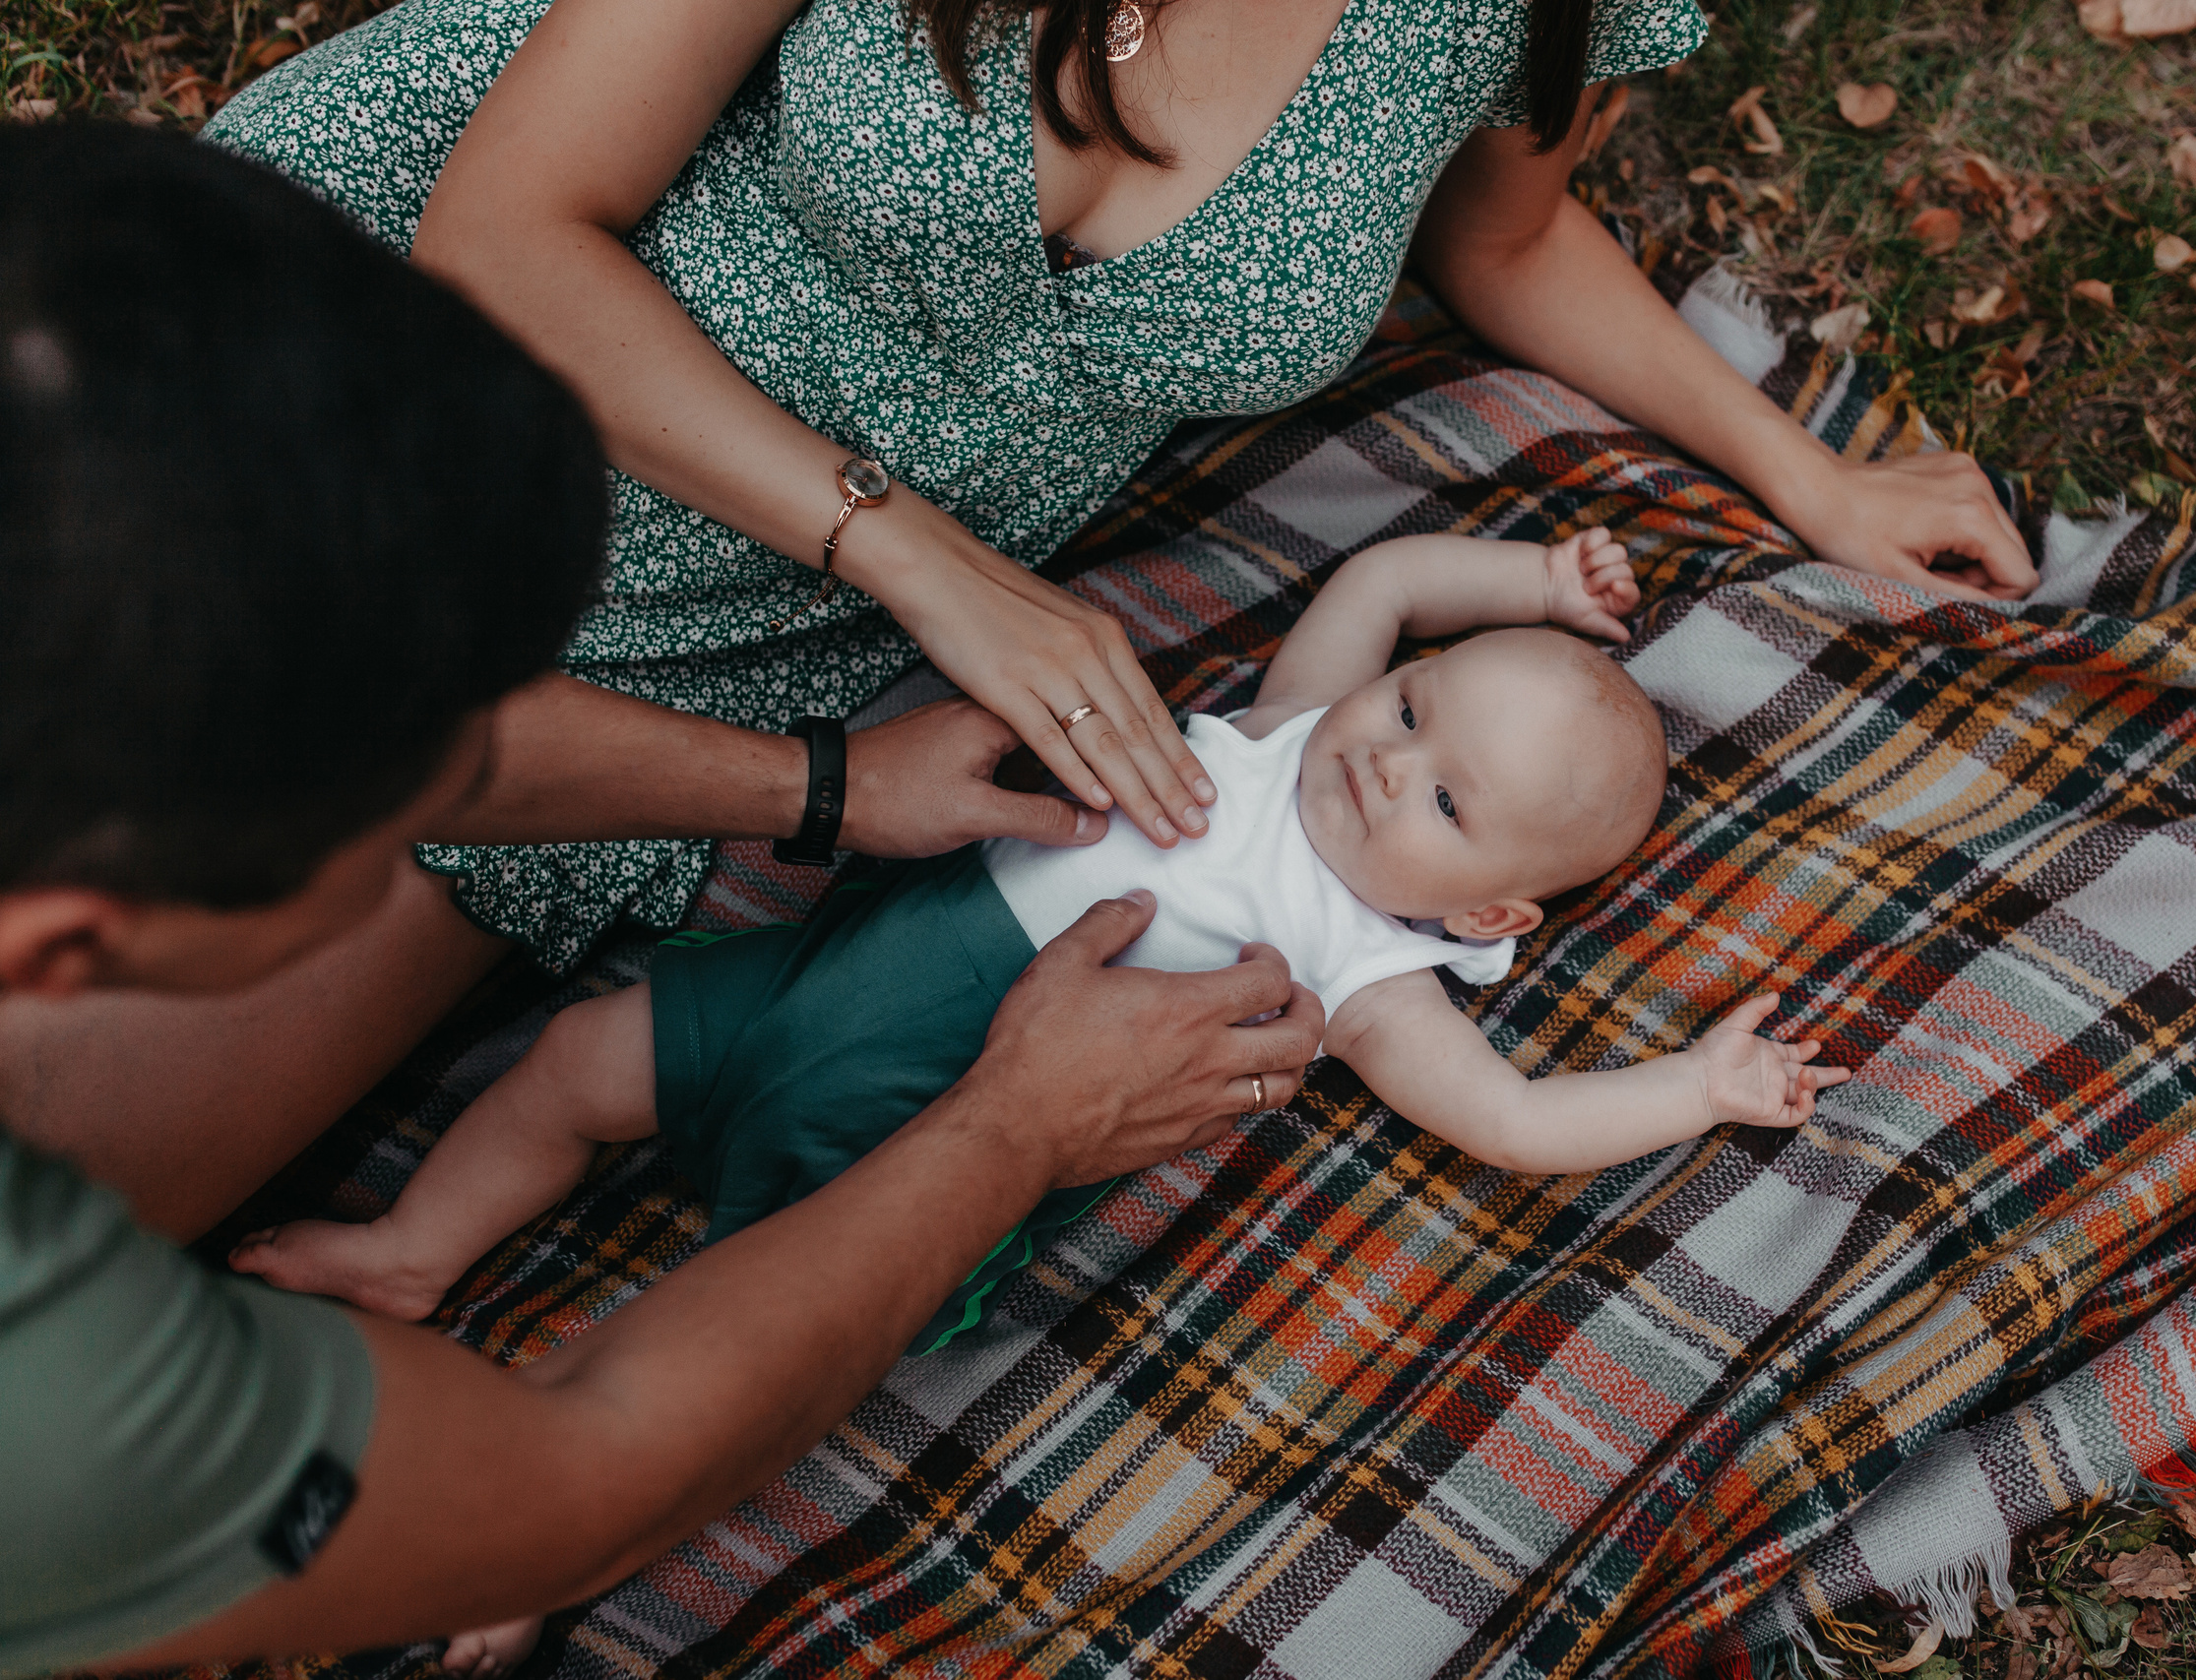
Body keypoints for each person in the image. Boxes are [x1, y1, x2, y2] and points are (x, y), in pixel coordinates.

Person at [0, 0, 2026, 1261]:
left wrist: (1811, 478)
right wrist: (911, 555)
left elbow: (1495, 235)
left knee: (62, 1198)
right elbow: (510, 231)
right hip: (434, 379)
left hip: (692, 649)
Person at [0, 123, 1323, 1679]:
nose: (450, 801)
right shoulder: (54, 1394)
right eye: (386, 823)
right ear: (76, 945)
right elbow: (580, 1486)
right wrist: (1021, 1123)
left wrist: (822, 785)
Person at [227, 529, 1851, 1675]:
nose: (1381, 759)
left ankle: (554, 1533)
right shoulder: (1293, 735)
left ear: (1491, 916)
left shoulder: (1361, 971)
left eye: (1442, 795)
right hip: (805, 996)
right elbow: (1381, 577)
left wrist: (1697, 1086)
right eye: (1414, 707)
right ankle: (414, 1252)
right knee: (581, 1063)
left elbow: (1510, 1125)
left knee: (720, 1337)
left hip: (911, 1152)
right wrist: (1541, 587)